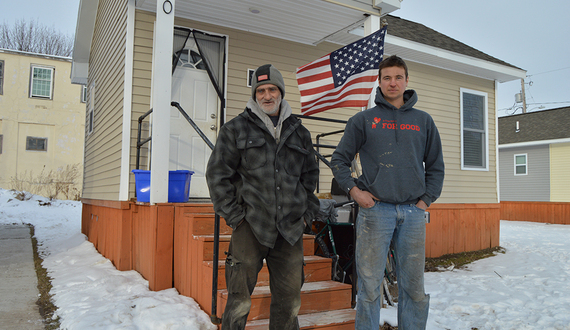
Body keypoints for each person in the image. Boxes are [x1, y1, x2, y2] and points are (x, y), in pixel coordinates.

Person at [331, 55, 445, 329]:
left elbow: (436, 166)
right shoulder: (363, 120)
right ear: (379, 82)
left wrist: (426, 200)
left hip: (413, 214)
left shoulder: (423, 121)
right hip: (375, 212)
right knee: (369, 288)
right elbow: (339, 160)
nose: (392, 83)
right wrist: (355, 192)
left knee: (413, 288)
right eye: (386, 78)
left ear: (406, 80)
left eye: (398, 77)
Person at [205, 64, 320, 330]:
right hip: (250, 227)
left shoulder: (300, 133)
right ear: (255, 95)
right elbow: (217, 176)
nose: (267, 96)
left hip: (290, 230)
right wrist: (235, 216)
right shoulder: (235, 130)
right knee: (238, 301)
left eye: (272, 89)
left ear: (281, 92)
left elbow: (309, 178)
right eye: (261, 91)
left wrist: (306, 215)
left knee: (289, 302)